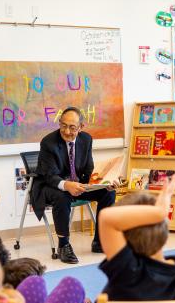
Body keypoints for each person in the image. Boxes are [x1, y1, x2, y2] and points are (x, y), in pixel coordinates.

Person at [31, 107, 116, 263]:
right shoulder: (48, 142)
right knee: (62, 196)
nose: (67, 131)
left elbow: (88, 167)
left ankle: (100, 241)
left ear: (81, 127)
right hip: (51, 186)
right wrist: (67, 184)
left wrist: (102, 183)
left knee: (108, 193)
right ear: (59, 123)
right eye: (63, 125)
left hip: (78, 184)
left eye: (72, 127)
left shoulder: (86, 139)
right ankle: (63, 245)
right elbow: (49, 176)